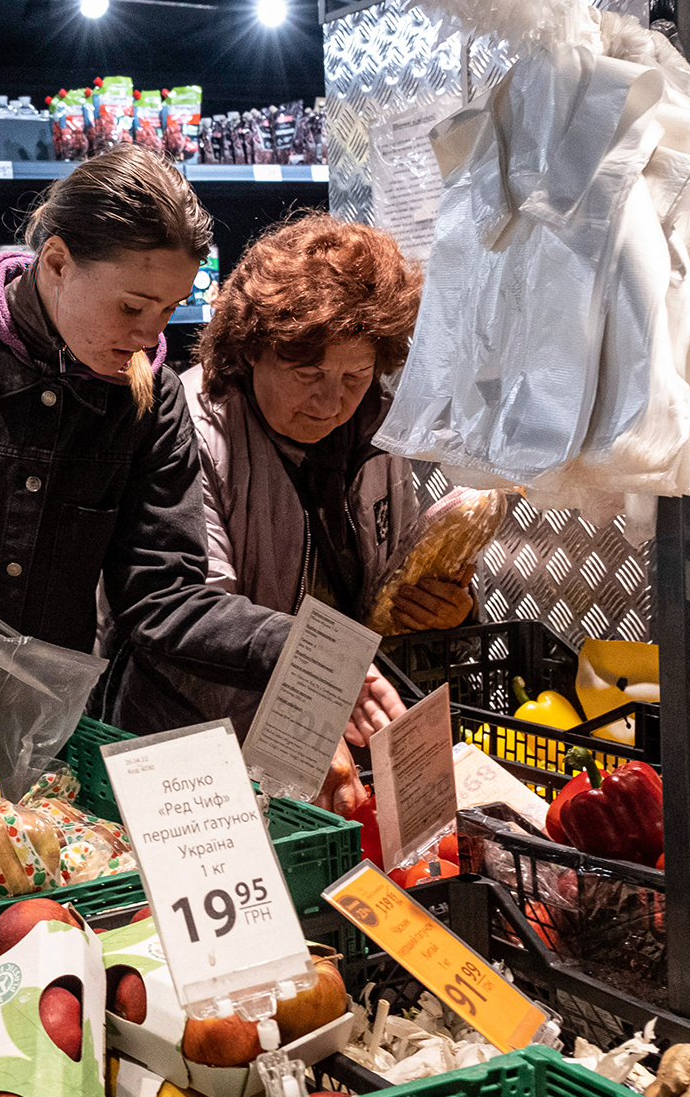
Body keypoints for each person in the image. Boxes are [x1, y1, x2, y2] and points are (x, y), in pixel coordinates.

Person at [0, 145, 400, 743]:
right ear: (57, 262)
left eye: (169, 309)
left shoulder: (151, 400)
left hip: (29, 732)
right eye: (131, 307)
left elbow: (161, 596)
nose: (150, 335)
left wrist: (307, 649)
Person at [105, 214, 470, 738]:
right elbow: (196, 623)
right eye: (308, 373)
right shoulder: (192, 427)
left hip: (334, 722)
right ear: (253, 349)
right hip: (197, 739)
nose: (331, 402)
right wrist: (308, 712)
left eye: (354, 376)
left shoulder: (378, 429)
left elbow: (388, 590)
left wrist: (445, 609)